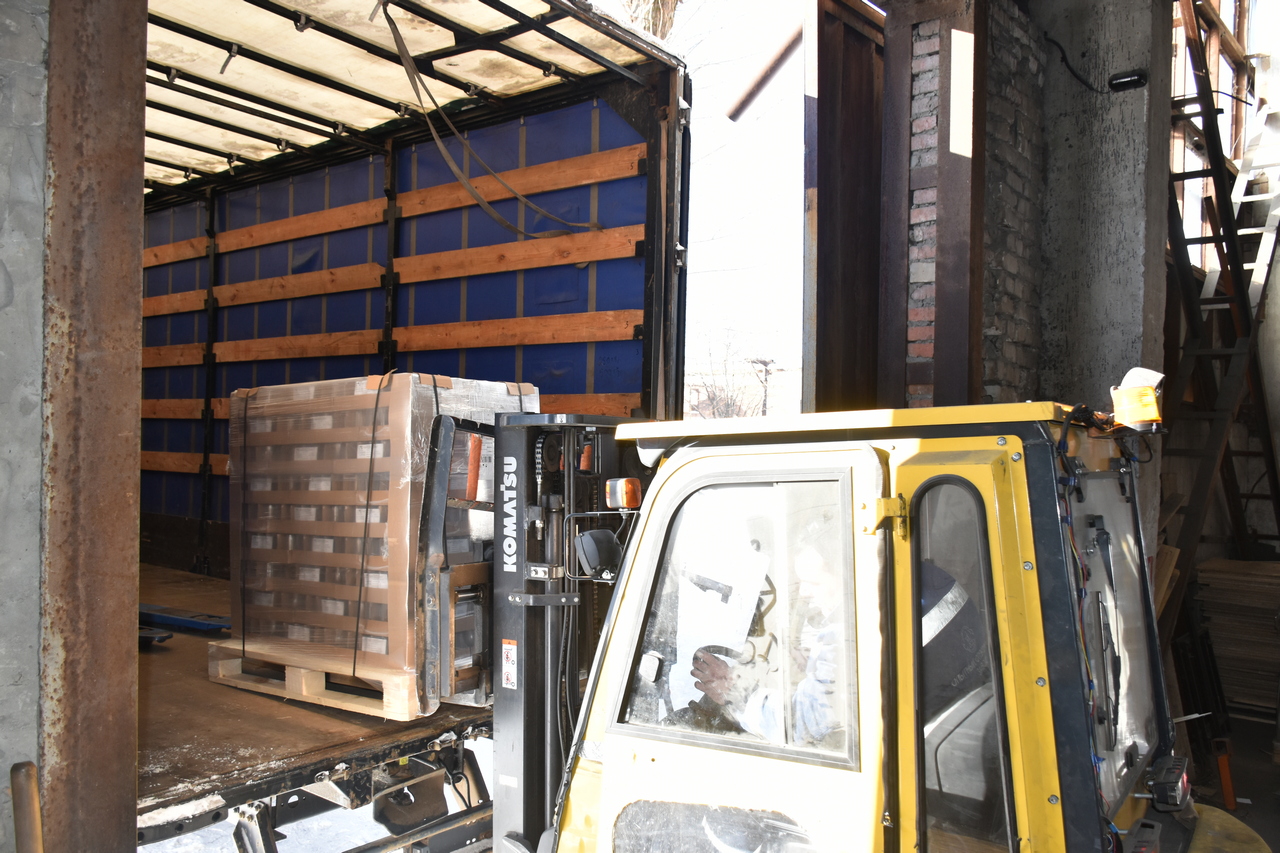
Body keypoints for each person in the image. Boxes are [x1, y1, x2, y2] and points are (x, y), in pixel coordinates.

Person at [689, 546, 844, 748]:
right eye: (800, 582)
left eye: (814, 582)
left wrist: (739, 696)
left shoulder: (843, 635)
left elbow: (801, 724)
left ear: (847, 577)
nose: (803, 592)